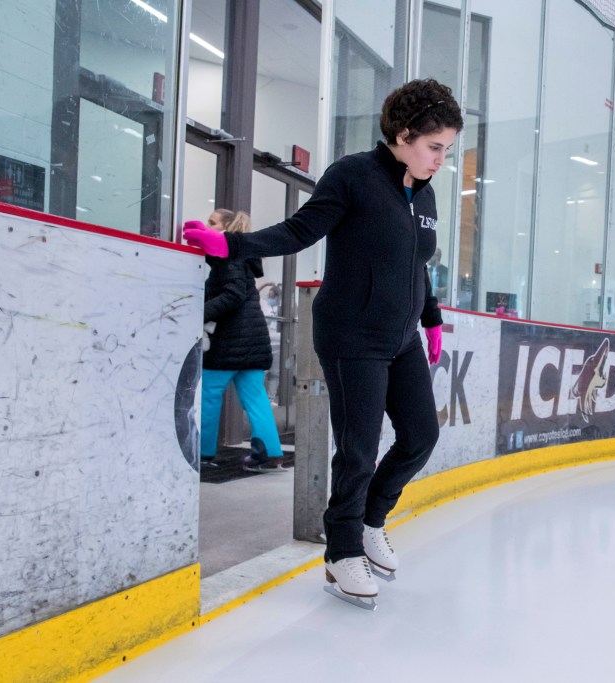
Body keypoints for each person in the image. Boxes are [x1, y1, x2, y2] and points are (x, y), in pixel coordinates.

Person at [183, 79, 463, 609]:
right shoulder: (353, 175)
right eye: (435, 147)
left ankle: (370, 521)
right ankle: (340, 552)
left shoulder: (424, 193)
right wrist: (231, 245)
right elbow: (298, 231)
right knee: (358, 450)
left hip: (401, 337)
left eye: (447, 149)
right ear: (403, 136)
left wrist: (430, 320)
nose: (441, 160)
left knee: (421, 437)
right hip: (352, 333)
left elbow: (419, 267)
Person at [199, 209, 286, 474]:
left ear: (227, 228)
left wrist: (199, 312)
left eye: (212, 222)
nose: (206, 225)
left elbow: (233, 295)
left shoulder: (229, 257)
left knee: (208, 396)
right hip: (251, 342)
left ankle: (201, 452)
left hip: (230, 343)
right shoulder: (242, 258)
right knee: (256, 399)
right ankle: (270, 455)